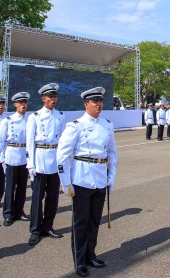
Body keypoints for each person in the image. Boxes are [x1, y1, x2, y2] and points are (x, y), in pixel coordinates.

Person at [57, 87, 118, 277]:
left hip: (100, 177)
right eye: (95, 102)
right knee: (80, 222)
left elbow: (112, 154)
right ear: (86, 104)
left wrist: (111, 177)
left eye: (100, 101)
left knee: (94, 220)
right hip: (82, 178)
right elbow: (62, 155)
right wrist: (66, 181)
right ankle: (80, 260)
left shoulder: (107, 125)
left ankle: (91, 254)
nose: (99, 104)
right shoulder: (75, 125)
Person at [26, 83, 66, 246]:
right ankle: (35, 229)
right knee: (37, 198)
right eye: (50, 97)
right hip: (40, 159)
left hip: (54, 159)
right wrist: (31, 165)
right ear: (43, 99)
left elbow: (63, 142)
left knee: (53, 198)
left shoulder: (60, 116)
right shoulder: (34, 117)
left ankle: (48, 226)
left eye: (55, 97)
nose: (53, 100)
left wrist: (64, 164)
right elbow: (29, 143)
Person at [0, 92, 30, 226]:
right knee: (10, 187)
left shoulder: (29, 120)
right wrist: (2, 158)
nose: (23, 105)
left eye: (25, 103)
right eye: (20, 103)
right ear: (15, 104)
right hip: (11, 155)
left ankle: (19, 211)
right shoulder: (8, 121)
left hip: (24, 156)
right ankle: (8, 213)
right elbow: (0, 141)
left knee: (22, 187)